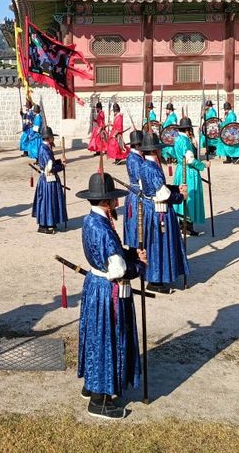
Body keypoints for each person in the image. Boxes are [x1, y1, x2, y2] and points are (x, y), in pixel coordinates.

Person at [76, 171, 146, 420]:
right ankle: (100, 401)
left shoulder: (91, 220)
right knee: (108, 339)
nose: (118, 202)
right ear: (106, 201)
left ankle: (92, 386)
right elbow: (117, 270)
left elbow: (111, 257)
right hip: (108, 291)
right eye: (114, 199)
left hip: (96, 285)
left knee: (97, 337)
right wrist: (138, 266)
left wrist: (130, 254)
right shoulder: (103, 228)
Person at [139, 132, 189, 293]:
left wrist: (175, 188)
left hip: (151, 207)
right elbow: (162, 194)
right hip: (158, 210)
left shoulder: (146, 165)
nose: (161, 152)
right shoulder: (151, 167)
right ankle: (156, 279)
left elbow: (156, 188)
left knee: (154, 243)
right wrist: (179, 196)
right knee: (158, 245)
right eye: (159, 149)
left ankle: (156, 277)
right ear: (154, 151)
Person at [173, 117, 207, 236]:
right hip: (188, 172)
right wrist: (202, 165)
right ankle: (187, 226)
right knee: (190, 195)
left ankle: (182, 224)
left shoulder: (177, 138)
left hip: (179, 169)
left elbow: (174, 153)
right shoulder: (185, 140)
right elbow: (190, 160)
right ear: (188, 129)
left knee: (182, 195)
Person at [32, 126, 67, 234]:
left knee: (50, 200)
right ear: (49, 138)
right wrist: (62, 167)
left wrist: (59, 162)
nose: (53, 139)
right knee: (47, 201)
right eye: (52, 137)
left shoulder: (46, 147)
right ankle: (44, 225)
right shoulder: (44, 148)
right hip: (48, 179)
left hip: (48, 178)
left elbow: (51, 162)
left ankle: (51, 222)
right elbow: (50, 167)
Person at [122, 130, 145, 248]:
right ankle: (137, 247)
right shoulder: (134, 159)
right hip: (137, 193)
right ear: (137, 145)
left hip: (135, 192)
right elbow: (140, 178)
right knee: (136, 222)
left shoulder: (137, 156)